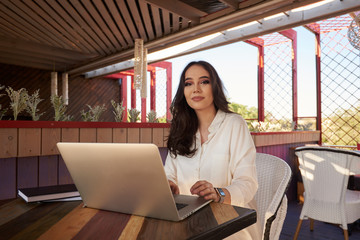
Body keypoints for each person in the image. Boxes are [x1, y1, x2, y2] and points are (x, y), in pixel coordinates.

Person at [164, 61, 261, 239]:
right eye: (188, 83)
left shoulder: (234, 124)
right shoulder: (179, 130)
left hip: (229, 224)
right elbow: (169, 174)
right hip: (186, 222)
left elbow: (248, 182)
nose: (196, 89)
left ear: (214, 87)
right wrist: (168, 185)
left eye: (204, 82)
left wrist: (219, 193)